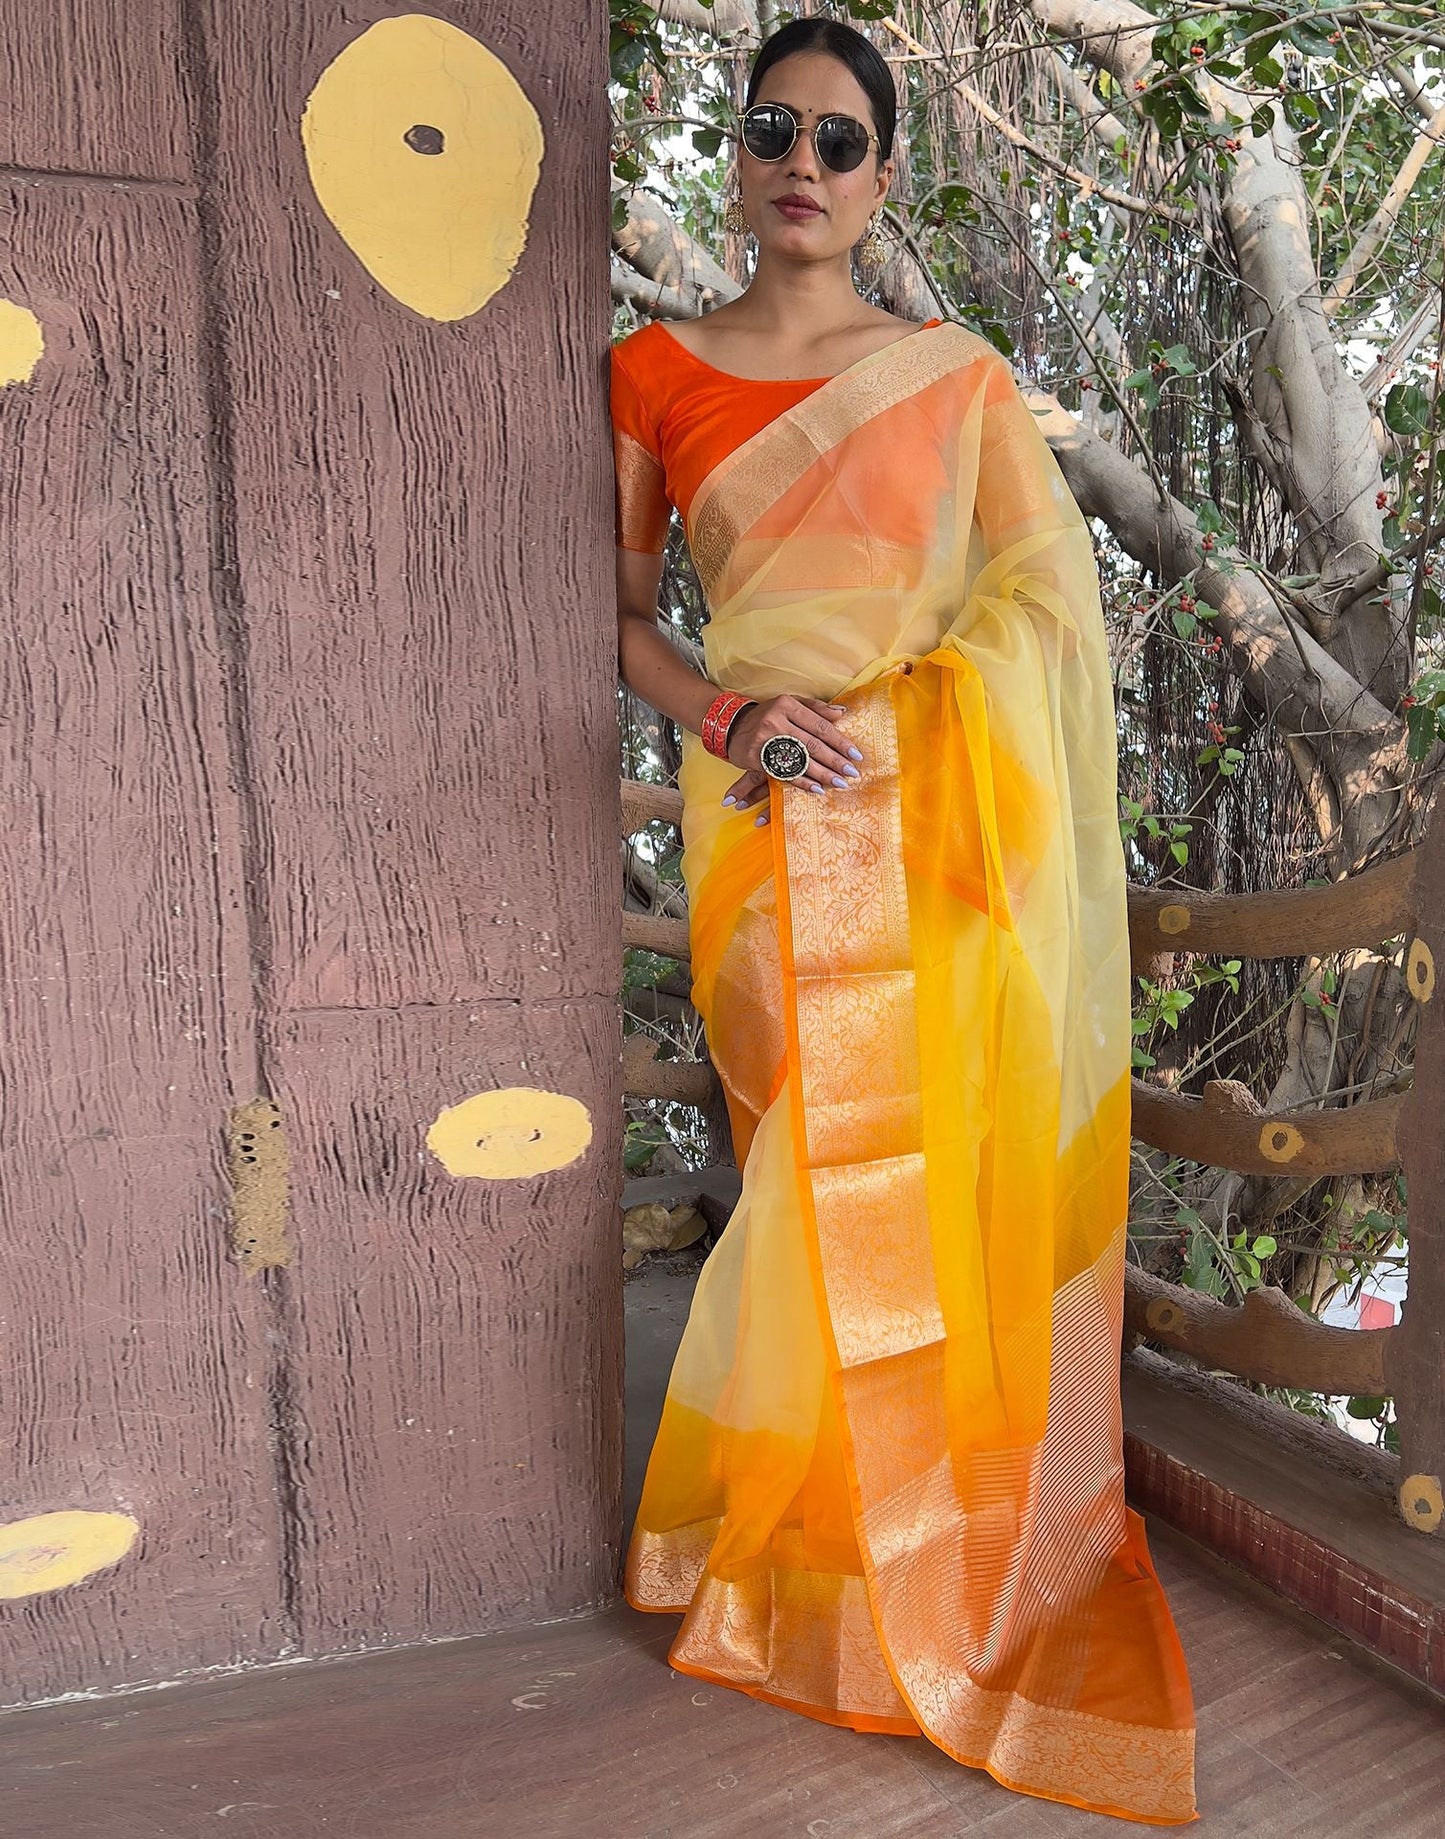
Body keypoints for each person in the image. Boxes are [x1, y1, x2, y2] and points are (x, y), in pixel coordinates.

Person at [611, 17, 1197, 1827]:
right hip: (767, 833)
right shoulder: (648, 372)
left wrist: (906, 726)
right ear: (735, 148)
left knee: (920, 1192)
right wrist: (731, 717)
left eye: (841, 139)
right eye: (771, 128)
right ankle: (820, 1560)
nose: (802, 161)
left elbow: (1043, 611)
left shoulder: (951, 378)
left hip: (930, 830)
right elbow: (617, 620)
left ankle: (906, 1573)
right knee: (812, 1177)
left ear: (879, 177)